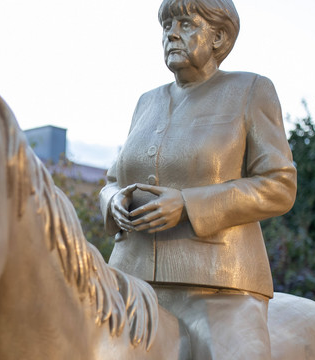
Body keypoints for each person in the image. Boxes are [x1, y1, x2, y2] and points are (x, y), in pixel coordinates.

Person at [99, 0, 296, 358]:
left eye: (187, 24)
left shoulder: (252, 91)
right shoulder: (146, 102)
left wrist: (188, 204)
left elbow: (279, 185)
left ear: (219, 37)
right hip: (128, 281)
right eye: (167, 26)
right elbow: (112, 178)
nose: (172, 33)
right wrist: (112, 200)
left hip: (219, 286)